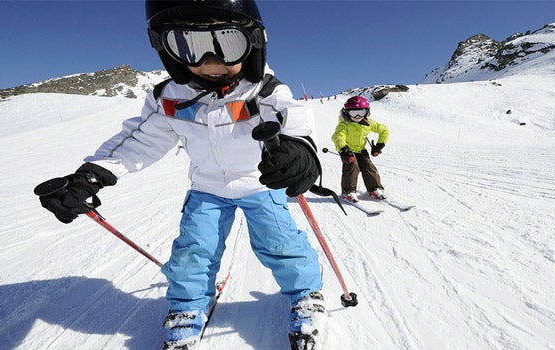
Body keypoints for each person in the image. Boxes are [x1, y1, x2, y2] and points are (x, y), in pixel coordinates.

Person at [35, 1, 325, 349]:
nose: (210, 62)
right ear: (168, 50)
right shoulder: (170, 97)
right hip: (207, 187)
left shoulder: (262, 89)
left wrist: (300, 152)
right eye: (189, 45)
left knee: (281, 245)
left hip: (259, 184)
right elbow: (140, 140)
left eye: (228, 42)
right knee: (193, 251)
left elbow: (293, 118)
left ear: (254, 43)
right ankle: (187, 308)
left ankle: (305, 294)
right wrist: (93, 175)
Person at [331, 96, 390, 202]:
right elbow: (337, 137)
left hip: (361, 150)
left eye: (361, 112)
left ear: (367, 112)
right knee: (352, 167)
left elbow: (384, 131)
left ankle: (374, 189)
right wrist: (343, 149)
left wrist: (379, 145)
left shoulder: (368, 123)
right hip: (348, 151)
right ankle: (348, 192)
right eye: (353, 113)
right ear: (346, 113)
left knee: (369, 167)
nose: (357, 116)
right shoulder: (344, 125)